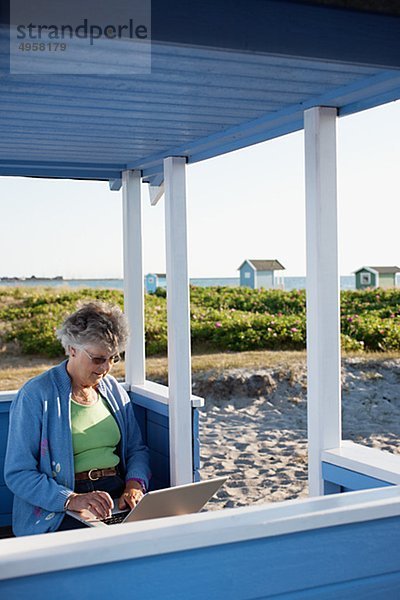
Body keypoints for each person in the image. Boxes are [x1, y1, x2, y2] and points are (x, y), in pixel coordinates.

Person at [4, 300, 151, 536]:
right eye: (98, 359)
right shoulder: (35, 395)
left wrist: (134, 485)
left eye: (113, 358)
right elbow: (18, 474)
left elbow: (137, 450)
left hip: (115, 497)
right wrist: (72, 500)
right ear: (72, 348)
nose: (106, 368)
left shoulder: (113, 390)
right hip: (61, 506)